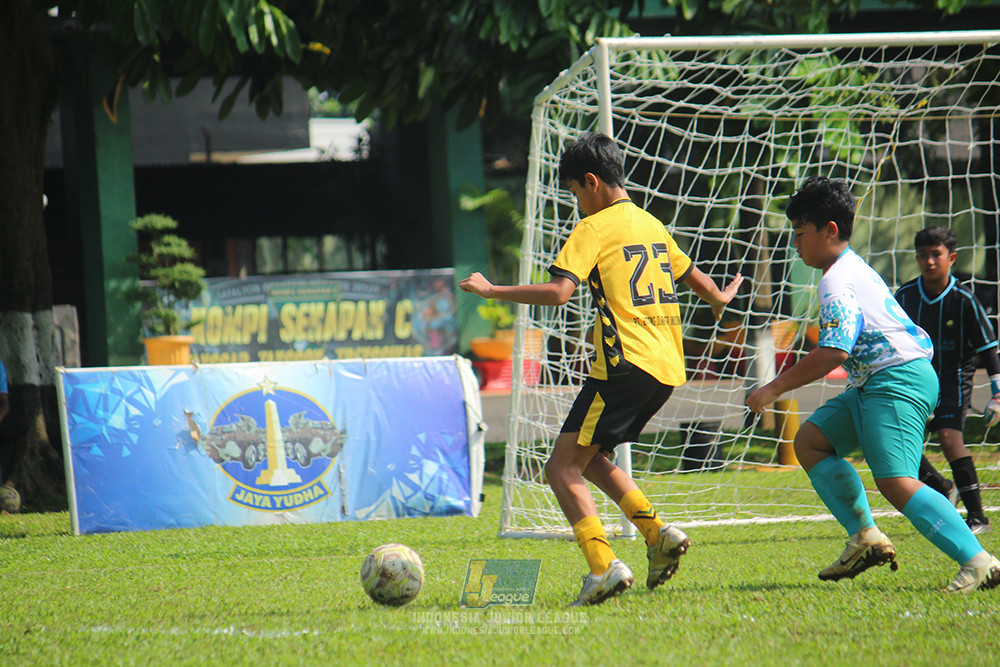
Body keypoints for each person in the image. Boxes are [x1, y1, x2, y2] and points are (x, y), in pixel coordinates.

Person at [459, 131, 743, 606]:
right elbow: (697, 279)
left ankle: (603, 567)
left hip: (624, 363)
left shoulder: (594, 228)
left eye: (574, 193)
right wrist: (719, 298)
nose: (576, 205)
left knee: (560, 469)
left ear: (591, 182)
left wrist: (492, 291)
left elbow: (558, 293)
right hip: (667, 368)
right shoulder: (650, 222)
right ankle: (656, 534)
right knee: (589, 459)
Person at [747, 176, 999, 594]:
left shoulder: (835, 280)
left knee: (896, 480)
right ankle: (864, 536)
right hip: (878, 381)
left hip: (896, 379)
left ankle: (979, 561)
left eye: (800, 232)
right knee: (810, 442)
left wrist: (771, 388)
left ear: (830, 230)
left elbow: (833, 352)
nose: (794, 242)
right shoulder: (848, 268)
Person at [895, 226, 1000, 535]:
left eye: (936, 255)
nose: (929, 261)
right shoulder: (905, 296)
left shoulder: (963, 299)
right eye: (923, 255)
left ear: (951, 258)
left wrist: (998, 392)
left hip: (954, 379)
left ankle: (978, 516)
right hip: (916, 380)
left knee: (949, 438)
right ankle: (941, 487)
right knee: (897, 442)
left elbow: (989, 349)